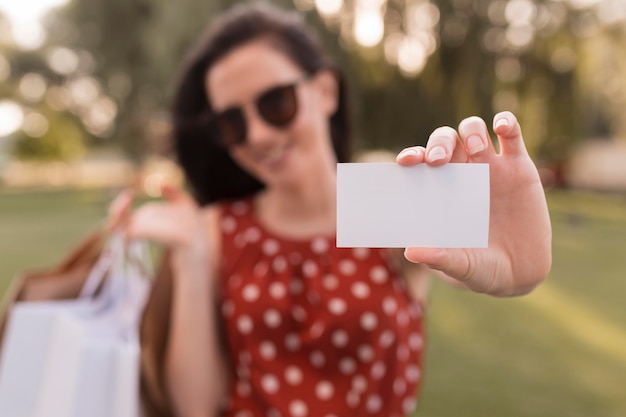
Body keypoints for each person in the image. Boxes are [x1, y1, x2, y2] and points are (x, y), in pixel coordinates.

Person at [110, 3, 552, 417]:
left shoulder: (383, 199)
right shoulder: (215, 229)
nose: (259, 135)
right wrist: (190, 259)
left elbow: (461, 262)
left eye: (275, 103)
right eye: (233, 123)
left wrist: (512, 263)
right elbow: (197, 406)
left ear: (324, 91)